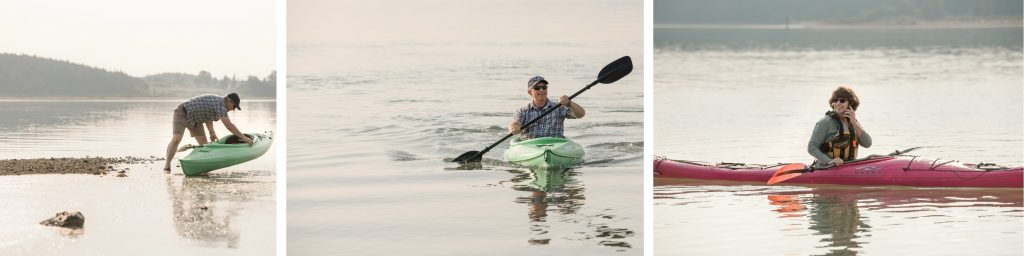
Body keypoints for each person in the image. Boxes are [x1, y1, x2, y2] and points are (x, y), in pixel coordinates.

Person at [164, 93, 252, 171]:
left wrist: (211, 132)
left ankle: (199, 167)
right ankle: (167, 165)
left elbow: (208, 117)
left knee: (204, 145)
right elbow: (229, 125)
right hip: (182, 113)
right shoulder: (220, 104)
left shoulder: (220, 105)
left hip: (196, 120)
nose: (233, 109)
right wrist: (243, 137)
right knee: (176, 139)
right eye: (234, 107)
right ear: (230, 101)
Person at [808, 86, 872, 167]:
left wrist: (854, 123)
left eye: (842, 100)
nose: (838, 103)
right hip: (827, 168)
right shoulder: (825, 122)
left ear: (850, 103)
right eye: (835, 100)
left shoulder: (853, 122)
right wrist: (830, 161)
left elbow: (867, 144)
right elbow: (811, 148)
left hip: (848, 167)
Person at [508, 76, 585, 139]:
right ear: (530, 92)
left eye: (544, 87)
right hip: (530, 146)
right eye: (537, 88)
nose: (541, 90)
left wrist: (569, 103)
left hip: (554, 146)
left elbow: (580, 114)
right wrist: (514, 128)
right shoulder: (522, 111)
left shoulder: (559, 108)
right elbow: (515, 123)